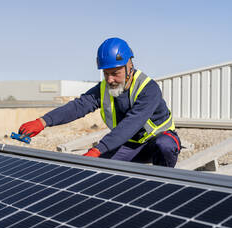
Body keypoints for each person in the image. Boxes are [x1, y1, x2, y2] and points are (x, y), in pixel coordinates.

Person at [18, 37, 181, 167]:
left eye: (115, 73)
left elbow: (132, 123)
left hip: (155, 144)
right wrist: (43, 121)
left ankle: (166, 180)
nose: (110, 79)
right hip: (129, 145)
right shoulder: (103, 88)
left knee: (165, 145)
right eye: (105, 73)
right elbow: (78, 106)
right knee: (97, 167)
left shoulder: (148, 89)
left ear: (129, 66)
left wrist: (98, 149)